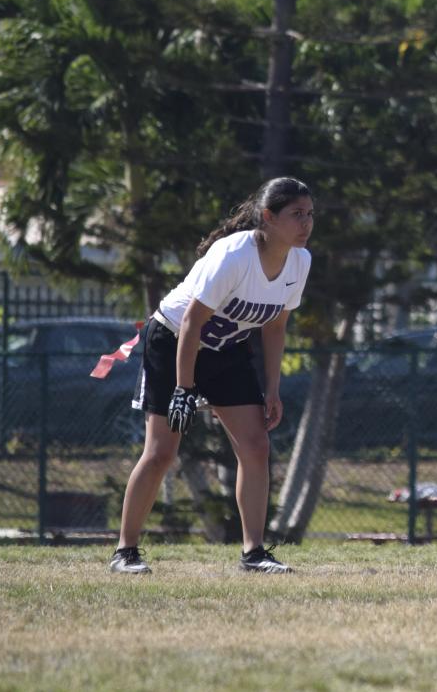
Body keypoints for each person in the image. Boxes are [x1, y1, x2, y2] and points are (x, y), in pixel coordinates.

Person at [107, 177, 314, 575]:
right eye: (296, 214)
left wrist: (272, 389)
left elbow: (274, 326)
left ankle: (253, 552)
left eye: (309, 214)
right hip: (173, 342)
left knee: (256, 446)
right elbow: (190, 322)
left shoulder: (300, 261)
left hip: (227, 349)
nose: (305, 223)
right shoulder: (234, 255)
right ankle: (125, 551)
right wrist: (184, 390)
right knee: (161, 451)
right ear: (268, 218)